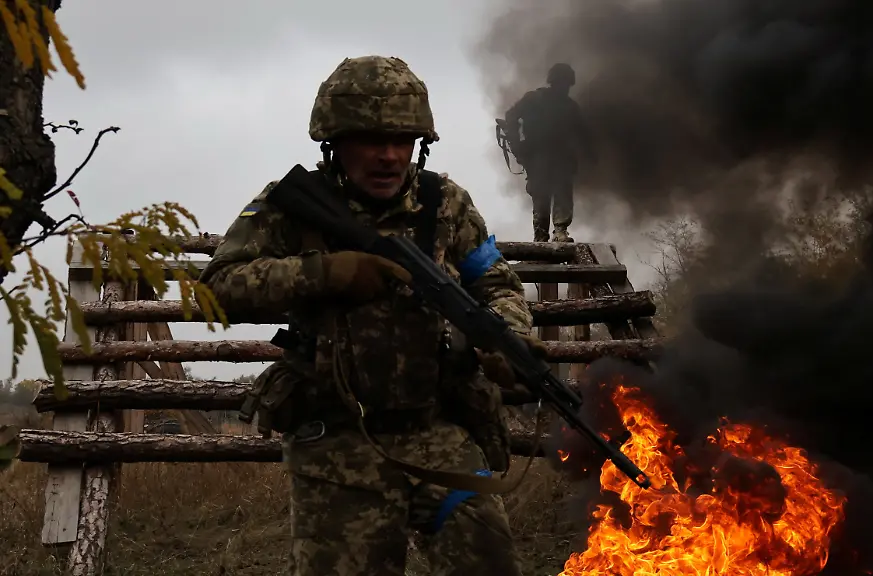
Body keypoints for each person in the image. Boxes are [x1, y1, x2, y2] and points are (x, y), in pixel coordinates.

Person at [198, 55, 547, 576]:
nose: (388, 156)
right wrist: (324, 274)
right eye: (370, 139)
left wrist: (508, 338)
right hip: (338, 444)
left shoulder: (444, 203)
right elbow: (215, 289)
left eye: (402, 141)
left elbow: (495, 281)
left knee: (489, 561)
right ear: (334, 141)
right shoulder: (291, 206)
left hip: (438, 431)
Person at [503, 62, 594, 243]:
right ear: (554, 82)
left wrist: (590, 153)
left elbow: (582, 133)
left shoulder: (570, 107)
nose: (565, 88)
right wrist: (517, 144)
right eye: (562, 83)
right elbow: (511, 116)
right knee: (541, 196)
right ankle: (541, 235)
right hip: (538, 155)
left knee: (562, 193)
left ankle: (560, 231)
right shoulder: (534, 99)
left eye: (567, 84)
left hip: (561, 157)